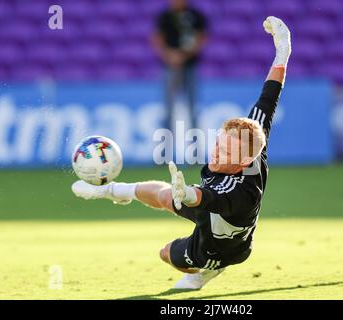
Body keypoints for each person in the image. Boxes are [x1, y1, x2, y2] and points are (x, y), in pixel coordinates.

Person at [72, 16, 291, 290]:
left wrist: (187, 194)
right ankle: (108, 191)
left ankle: (209, 272)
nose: (216, 154)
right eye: (219, 144)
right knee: (165, 195)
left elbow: (209, 198)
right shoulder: (251, 138)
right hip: (208, 207)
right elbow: (269, 97)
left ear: (245, 161)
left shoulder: (241, 193)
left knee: (166, 253)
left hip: (220, 246)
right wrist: (283, 51)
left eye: (226, 152)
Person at [151, 0, 207, 131]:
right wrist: (169, 55)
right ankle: (166, 143)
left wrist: (184, 55)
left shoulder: (195, 15)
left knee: (192, 106)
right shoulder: (165, 16)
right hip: (169, 67)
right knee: (168, 107)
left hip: (190, 67)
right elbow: (157, 38)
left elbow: (201, 38)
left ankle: (195, 144)